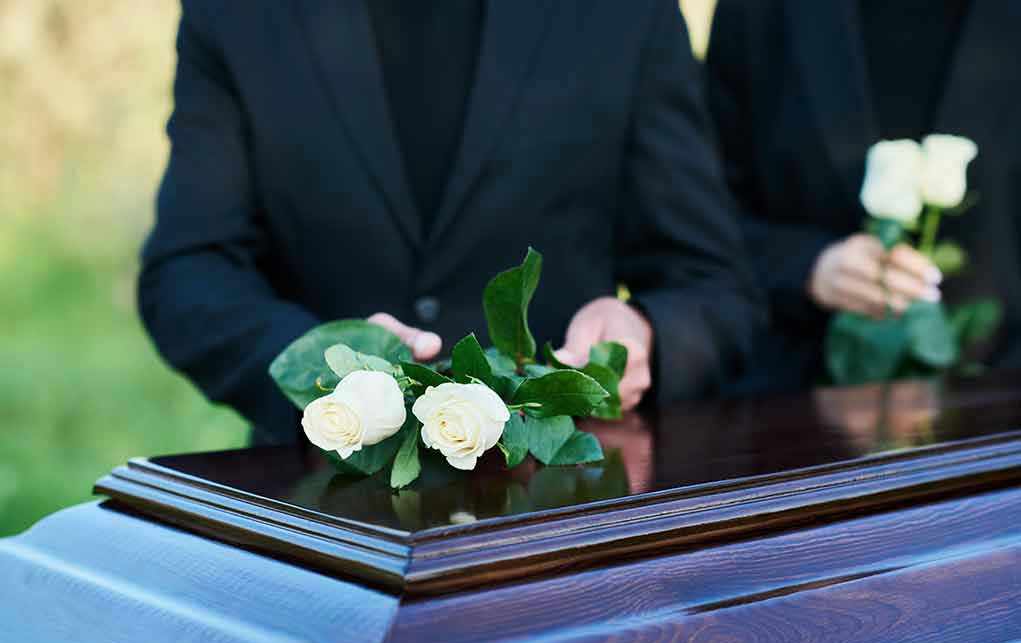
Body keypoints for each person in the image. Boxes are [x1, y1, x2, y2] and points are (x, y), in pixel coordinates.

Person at [139, 0, 763, 444]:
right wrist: (322, 370)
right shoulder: (235, 13)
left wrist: (646, 333)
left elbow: (714, 285)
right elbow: (188, 274)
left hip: (556, 520)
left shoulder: (624, 12)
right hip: (317, 512)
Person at [705, 0, 1021, 394]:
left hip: (1002, 403)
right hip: (794, 405)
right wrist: (807, 265)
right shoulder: (761, 11)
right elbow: (703, 217)